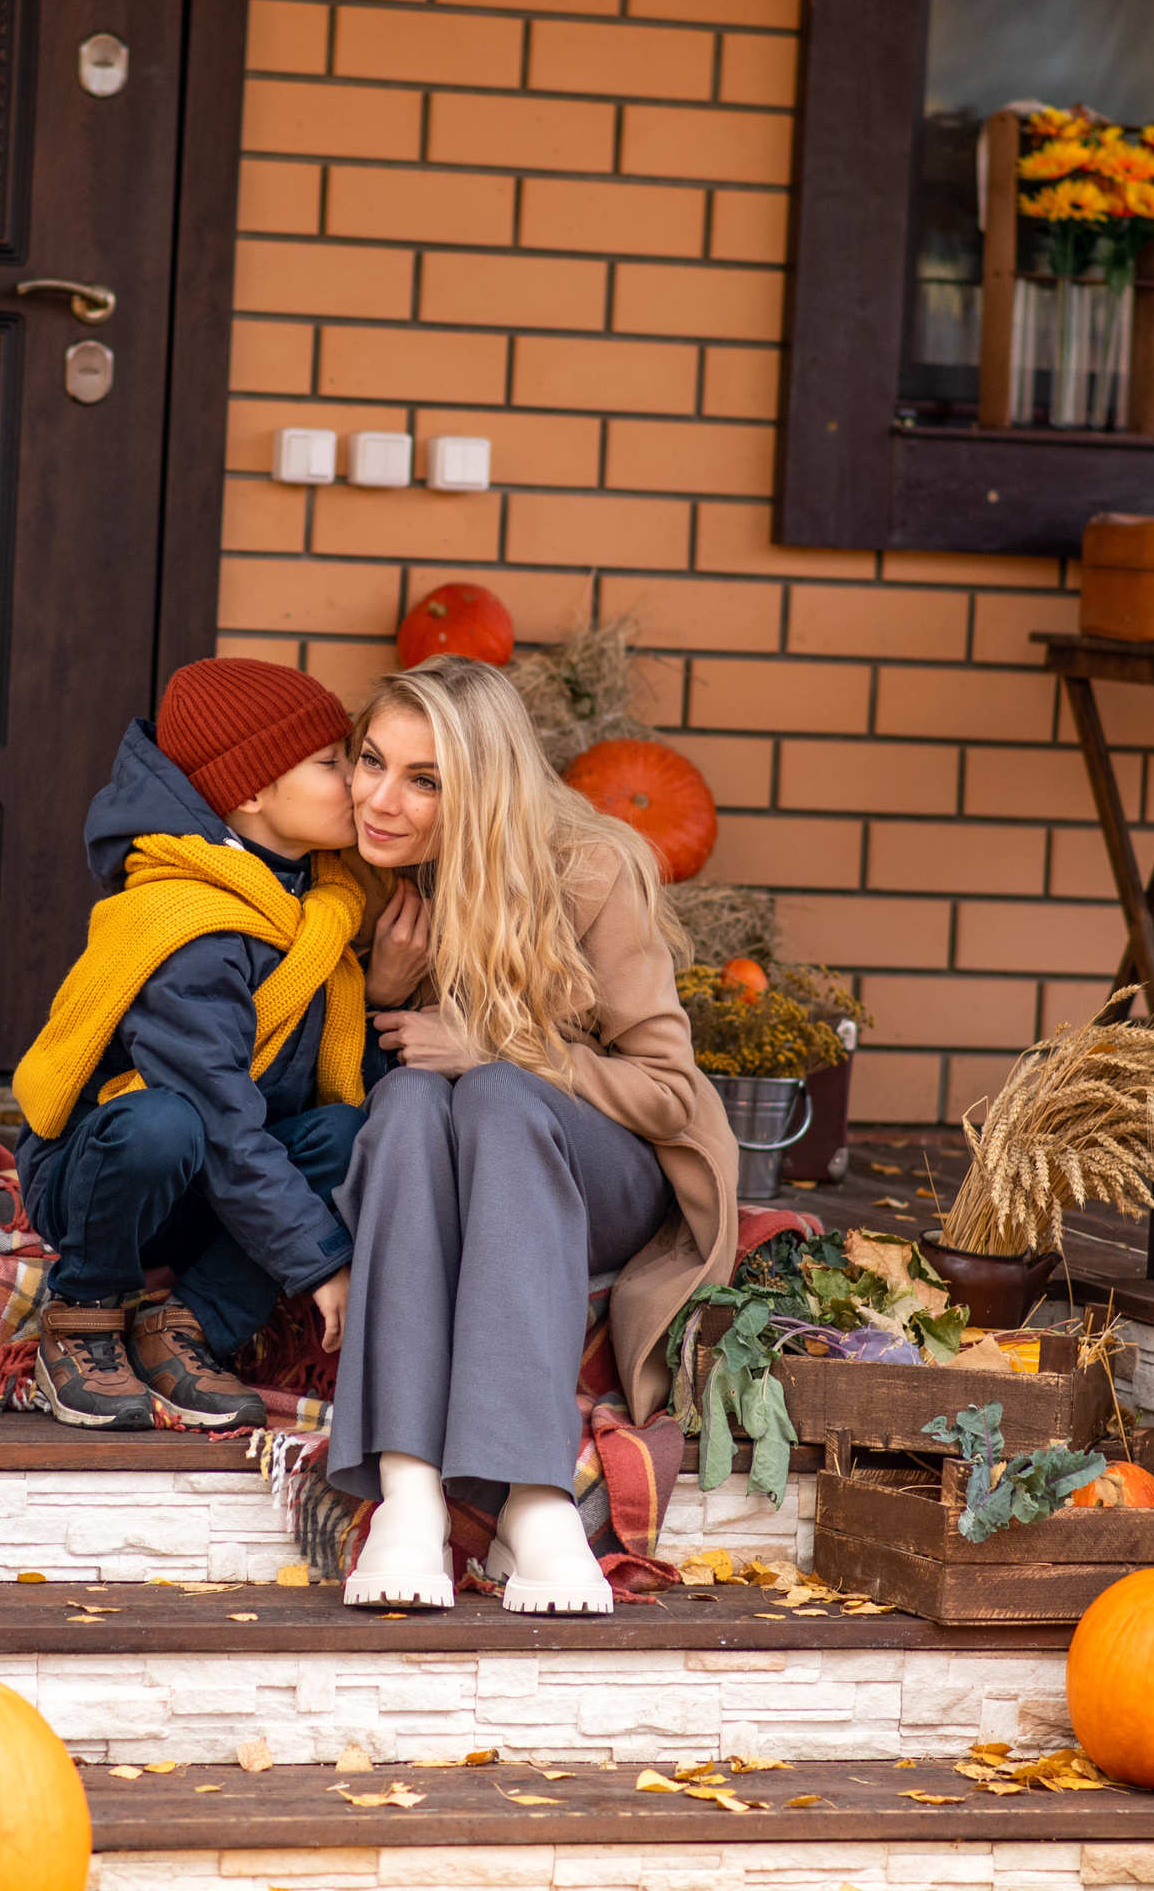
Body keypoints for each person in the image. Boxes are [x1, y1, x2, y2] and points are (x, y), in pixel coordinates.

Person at [326, 655, 739, 1616]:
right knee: (407, 1105)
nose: (381, 800)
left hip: (597, 1178)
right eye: (371, 760)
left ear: (479, 788)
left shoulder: (587, 870)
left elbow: (670, 1094)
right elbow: (337, 1099)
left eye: (423, 781)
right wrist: (382, 992)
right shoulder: (351, 870)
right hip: (448, 1173)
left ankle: (537, 1496)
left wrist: (502, 1047)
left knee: (498, 1095)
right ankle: (410, 1495)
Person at [11, 658, 429, 1433]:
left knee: (356, 1132)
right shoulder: (187, 924)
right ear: (249, 793)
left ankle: (189, 1325)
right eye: (332, 764)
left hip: (213, 1182)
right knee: (162, 1121)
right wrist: (321, 1262)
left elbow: (311, 1088)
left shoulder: (316, 900)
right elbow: (219, 1114)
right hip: (110, 1180)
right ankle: (84, 1313)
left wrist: (385, 999)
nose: (359, 786)